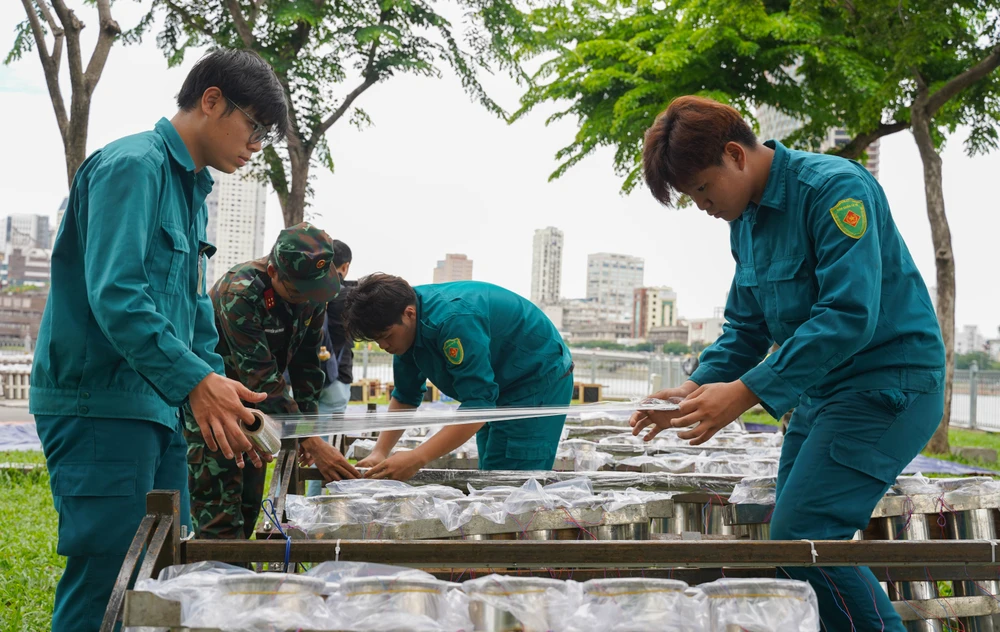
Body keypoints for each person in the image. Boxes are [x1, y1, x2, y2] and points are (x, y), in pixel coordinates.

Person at [631, 96, 945, 631]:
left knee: (806, 534)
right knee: (790, 546)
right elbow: (747, 327)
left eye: (703, 189)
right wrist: (696, 387)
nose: (702, 205)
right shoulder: (745, 221)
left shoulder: (834, 189)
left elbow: (848, 315)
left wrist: (744, 393)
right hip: (820, 393)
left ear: (735, 154)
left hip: (890, 385)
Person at [29, 49, 287, 631]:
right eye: (254, 127)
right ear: (212, 100)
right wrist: (195, 382)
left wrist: (220, 389)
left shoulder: (191, 190)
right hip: (101, 402)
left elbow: (192, 308)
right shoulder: (133, 167)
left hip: (159, 405)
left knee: (158, 573)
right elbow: (116, 295)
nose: (254, 148)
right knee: (109, 578)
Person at [185, 223, 360, 538]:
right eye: (296, 293)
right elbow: (261, 375)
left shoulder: (311, 291)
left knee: (250, 504)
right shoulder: (240, 292)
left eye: (312, 293)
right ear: (273, 272)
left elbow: (308, 365)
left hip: (261, 412)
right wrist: (308, 439)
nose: (304, 301)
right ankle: (220, 579)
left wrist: (309, 428)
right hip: (215, 409)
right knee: (220, 517)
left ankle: (239, 575)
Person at [343, 275, 574, 480]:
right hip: (499, 386)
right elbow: (405, 396)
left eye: (386, 336)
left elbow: (480, 405)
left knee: (509, 481)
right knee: (491, 470)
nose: (384, 346)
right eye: (377, 341)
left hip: (536, 381)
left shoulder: (453, 320)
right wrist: (379, 452)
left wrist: (417, 457)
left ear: (409, 314)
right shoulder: (404, 331)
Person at [305, 239, 355, 497]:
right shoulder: (348, 297)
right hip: (335, 382)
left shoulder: (309, 291)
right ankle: (310, 509)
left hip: (304, 378)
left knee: (294, 445)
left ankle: (277, 513)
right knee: (325, 449)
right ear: (344, 267)